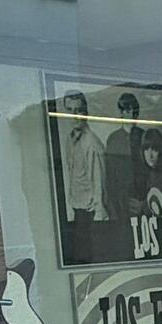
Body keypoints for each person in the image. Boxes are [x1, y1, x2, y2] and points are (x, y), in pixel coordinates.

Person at [59, 90, 108, 262]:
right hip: (77, 212)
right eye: (70, 111)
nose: (75, 116)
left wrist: (98, 219)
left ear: (85, 112)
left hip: (90, 215)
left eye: (78, 110)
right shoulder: (70, 140)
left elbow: (99, 182)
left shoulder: (92, 144)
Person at [104, 92, 147, 222]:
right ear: (121, 112)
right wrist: (114, 209)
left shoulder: (145, 136)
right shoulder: (114, 139)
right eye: (128, 111)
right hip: (122, 203)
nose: (133, 115)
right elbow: (110, 178)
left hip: (144, 200)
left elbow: (152, 171)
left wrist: (145, 203)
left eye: (135, 111)